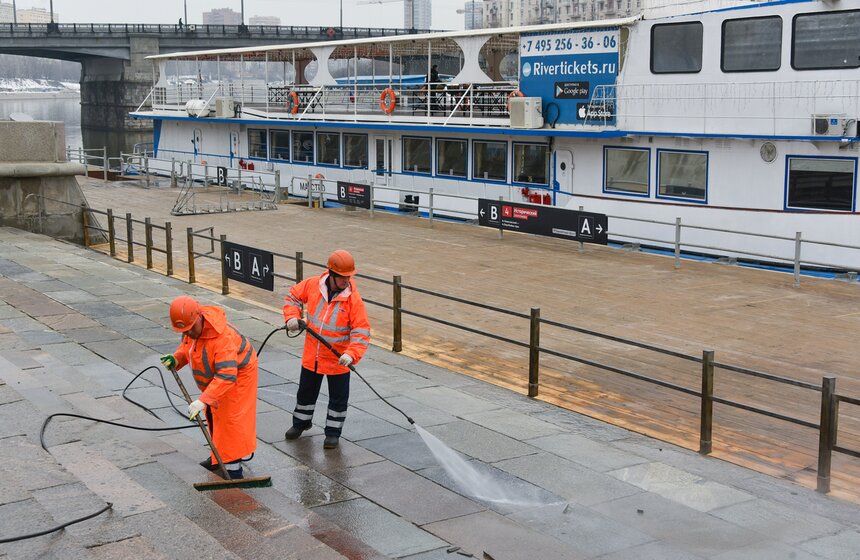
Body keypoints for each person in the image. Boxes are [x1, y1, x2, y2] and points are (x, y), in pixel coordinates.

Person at [160, 296, 258, 479]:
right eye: (185, 332)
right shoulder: (194, 329)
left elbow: (227, 375)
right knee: (213, 415)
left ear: (198, 318)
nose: (188, 334)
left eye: (190, 330)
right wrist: (177, 359)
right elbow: (188, 347)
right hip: (219, 378)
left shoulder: (223, 338)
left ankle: (233, 469)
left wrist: (203, 400)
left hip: (237, 377)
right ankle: (218, 455)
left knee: (230, 420)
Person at [283, 250, 371, 449]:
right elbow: (292, 297)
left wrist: (351, 353)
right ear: (331, 273)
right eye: (342, 277)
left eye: (349, 276)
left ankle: (333, 433)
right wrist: (291, 318)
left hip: (338, 358)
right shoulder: (313, 285)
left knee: (338, 400)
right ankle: (301, 423)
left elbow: (361, 331)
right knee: (305, 393)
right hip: (312, 355)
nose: (346, 281)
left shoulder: (353, 300)